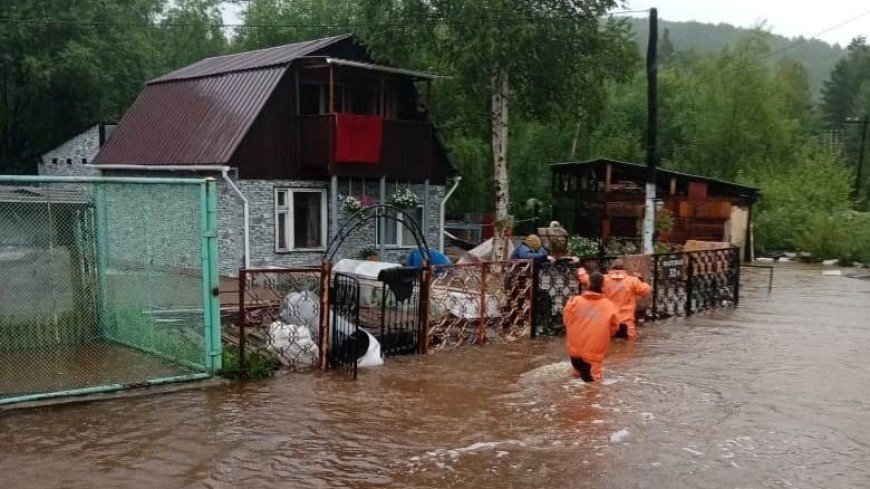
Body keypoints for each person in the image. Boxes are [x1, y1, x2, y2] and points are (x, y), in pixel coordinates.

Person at [563, 271, 620, 383]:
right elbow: (614, 328)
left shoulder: (574, 301)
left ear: (588, 284)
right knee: (592, 388)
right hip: (593, 355)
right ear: (603, 286)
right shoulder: (609, 306)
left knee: (576, 381)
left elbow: (566, 320)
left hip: (574, 352)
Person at [577, 259, 651, 340]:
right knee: (629, 349)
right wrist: (642, 281)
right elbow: (646, 291)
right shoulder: (633, 281)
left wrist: (580, 268)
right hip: (626, 323)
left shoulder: (603, 279)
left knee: (609, 346)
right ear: (624, 269)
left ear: (610, 269)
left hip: (608, 321)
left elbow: (585, 279)